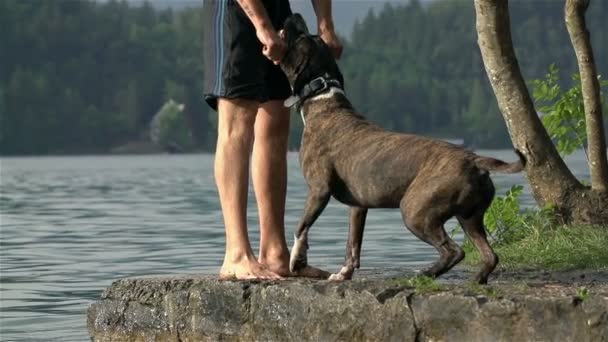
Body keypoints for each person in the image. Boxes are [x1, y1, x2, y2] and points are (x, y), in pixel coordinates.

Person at [203, 0, 343, 280]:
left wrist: (325, 25)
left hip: (278, 6)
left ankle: (275, 252)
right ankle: (236, 254)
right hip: (235, 11)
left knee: (277, 120)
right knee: (237, 123)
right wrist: (262, 27)